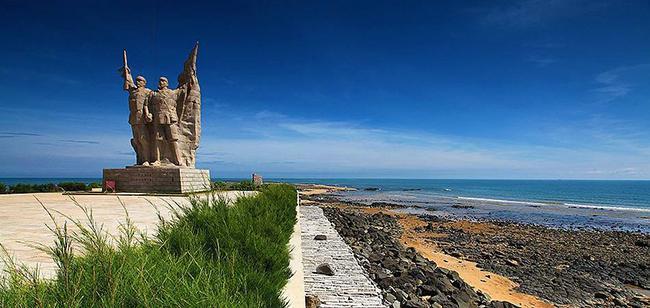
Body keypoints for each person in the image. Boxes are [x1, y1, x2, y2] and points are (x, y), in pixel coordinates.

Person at [122, 67, 153, 165]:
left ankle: (147, 160)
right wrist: (127, 72)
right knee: (137, 140)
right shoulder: (133, 91)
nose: (138, 82)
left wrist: (149, 114)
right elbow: (128, 82)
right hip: (133, 117)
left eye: (140, 80)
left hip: (142, 117)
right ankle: (140, 160)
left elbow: (150, 104)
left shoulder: (148, 92)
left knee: (144, 139)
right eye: (137, 80)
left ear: (144, 82)